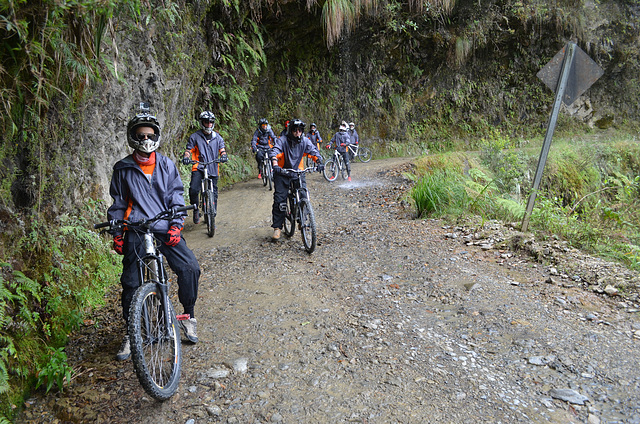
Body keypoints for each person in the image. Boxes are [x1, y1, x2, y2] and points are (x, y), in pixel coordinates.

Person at [108, 110, 201, 361]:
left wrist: (176, 225)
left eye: (150, 134)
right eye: (141, 135)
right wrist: (117, 232)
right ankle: (132, 331)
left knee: (190, 268)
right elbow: (118, 203)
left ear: (157, 136)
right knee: (130, 282)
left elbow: (176, 197)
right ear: (132, 137)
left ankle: (188, 315)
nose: (146, 139)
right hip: (136, 228)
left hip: (163, 227)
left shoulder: (167, 164)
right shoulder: (123, 168)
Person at [269, 118, 324, 240]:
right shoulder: (282, 141)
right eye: (295, 130)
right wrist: (275, 165)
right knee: (280, 199)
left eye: (299, 130)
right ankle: (277, 228)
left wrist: (319, 161)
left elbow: (313, 151)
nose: (297, 133)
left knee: (303, 195)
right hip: (282, 172)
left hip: (297, 172)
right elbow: (275, 152)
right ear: (290, 131)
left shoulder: (305, 141)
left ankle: (302, 220)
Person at [182, 111, 228, 224]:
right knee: (193, 190)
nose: (209, 124)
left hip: (212, 166)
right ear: (202, 123)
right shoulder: (195, 137)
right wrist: (186, 157)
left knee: (214, 191)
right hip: (198, 166)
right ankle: (196, 209)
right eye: (206, 122)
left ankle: (213, 211)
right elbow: (189, 150)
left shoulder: (218, 138)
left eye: (211, 122)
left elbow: (222, 150)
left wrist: (224, 156)